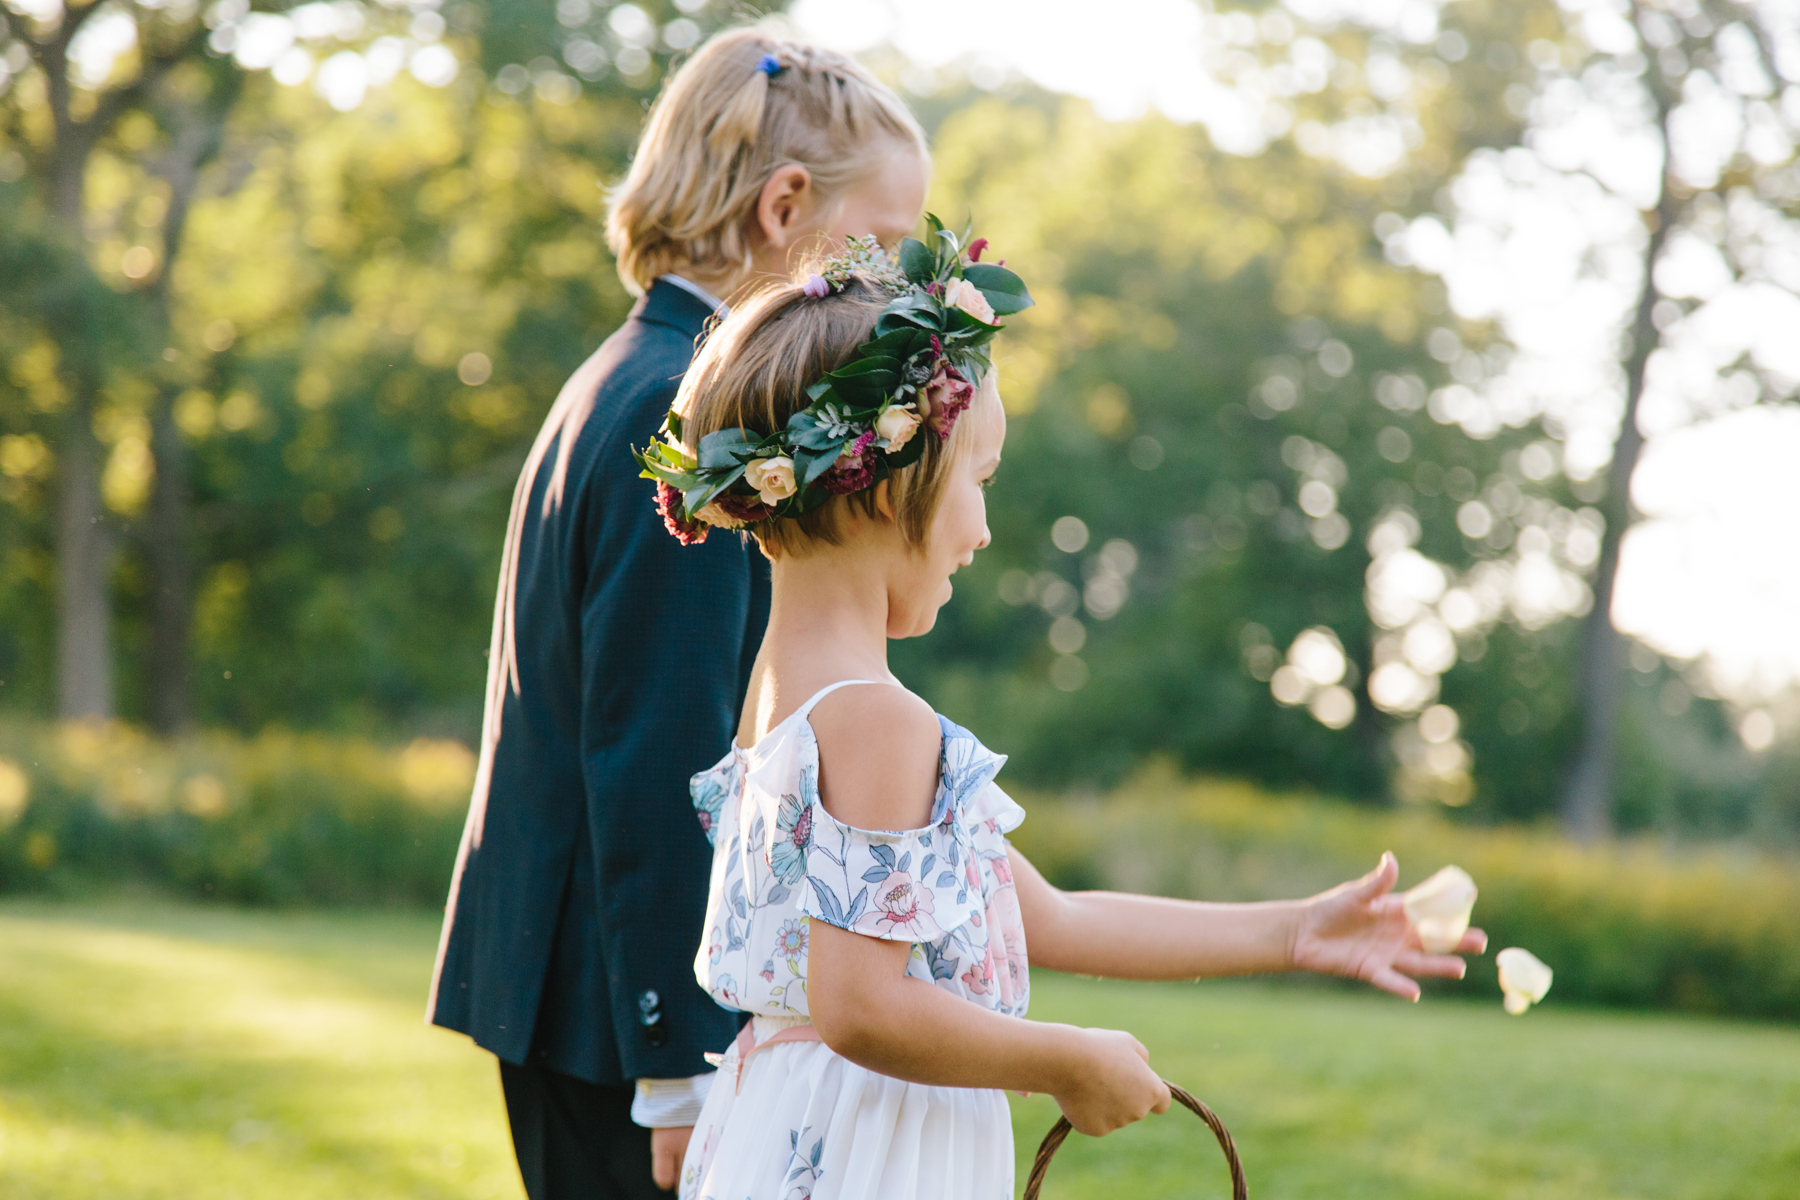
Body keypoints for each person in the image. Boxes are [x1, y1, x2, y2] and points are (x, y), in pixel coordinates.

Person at [632, 233, 1490, 1200]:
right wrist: (1063, 1059)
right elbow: (860, 1007)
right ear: (888, 486)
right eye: (980, 483)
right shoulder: (880, 722)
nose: (983, 531)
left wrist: (1296, 932)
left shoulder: (782, 700)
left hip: (786, 1132)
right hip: (866, 1153)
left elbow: (1053, 918)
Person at [427, 28, 929, 1200]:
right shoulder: (691, 418)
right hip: (616, 1017)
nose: (893, 286)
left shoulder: (628, 370)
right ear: (785, 205)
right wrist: (681, 1063)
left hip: (569, 987)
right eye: (885, 244)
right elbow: (658, 745)